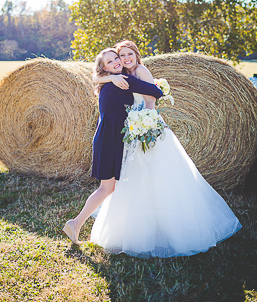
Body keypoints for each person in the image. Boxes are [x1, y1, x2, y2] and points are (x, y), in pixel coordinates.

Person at [86, 41, 242, 257]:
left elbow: (152, 98)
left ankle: (167, 227)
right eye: (120, 55)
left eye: (128, 54)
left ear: (136, 55)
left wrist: (147, 123)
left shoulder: (139, 71)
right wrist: (110, 77)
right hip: (133, 129)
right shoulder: (120, 77)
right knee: (136, 180)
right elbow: (97, 76)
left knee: (158, 179)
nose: (124, 59)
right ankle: (140, 225)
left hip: (147, 126)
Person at [63, 48, 165, 244]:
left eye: (116, 58)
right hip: (111, 139)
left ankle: (81, 225)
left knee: (110, 188)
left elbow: (96, 79)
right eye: (110, 62)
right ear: (104, 68)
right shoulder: (122, 81)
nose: (117, 62)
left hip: (106, 137)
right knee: (109, 187)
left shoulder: (108, 83)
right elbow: (156, 92)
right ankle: (76, 224)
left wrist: (108, 78)